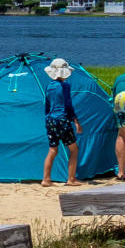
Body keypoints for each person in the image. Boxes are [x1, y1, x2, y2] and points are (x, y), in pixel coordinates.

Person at [39, 56, 85, 186]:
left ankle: (46, 179)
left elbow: (47, 106)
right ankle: (71, 179)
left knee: (53, 150)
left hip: (50, 120)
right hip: (62, 119)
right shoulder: (65, 86)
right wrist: (76, 121)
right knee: (74, 149)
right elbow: (68, 105)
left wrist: (48, 119)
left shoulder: (49, 86)